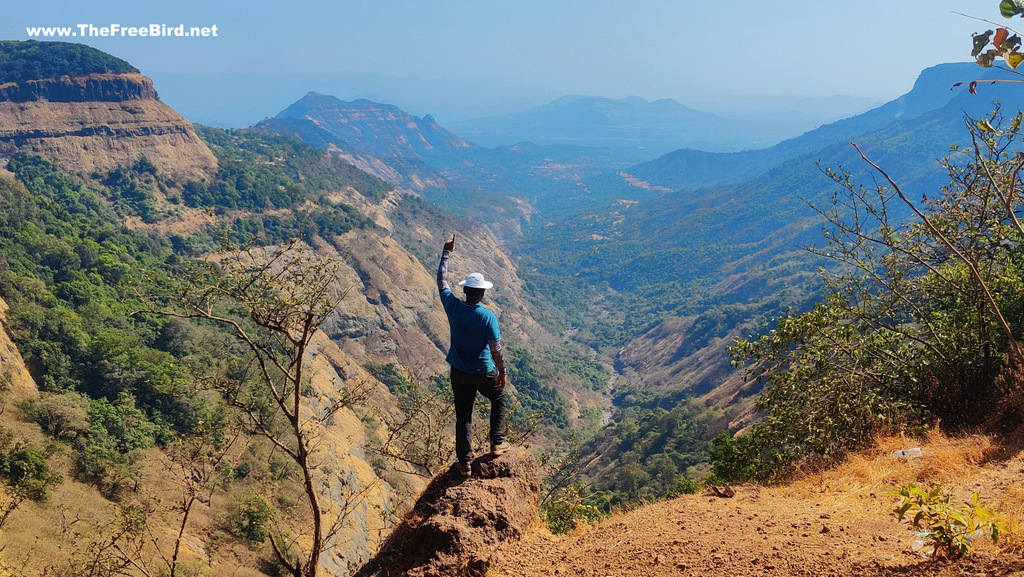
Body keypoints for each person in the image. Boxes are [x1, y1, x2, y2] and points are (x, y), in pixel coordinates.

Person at [436, 233, 509, 477]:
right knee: (498, 399)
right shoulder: (488, 316)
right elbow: (496, 349)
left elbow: (442, 280)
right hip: (482, 371)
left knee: (463, 415)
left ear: (465, 290)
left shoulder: (453, 306)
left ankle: (465, 463)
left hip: (459, 372)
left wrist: (447, 252)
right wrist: (502, 372)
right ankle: (497, 443)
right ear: (482, 294)